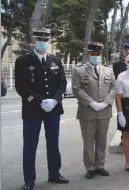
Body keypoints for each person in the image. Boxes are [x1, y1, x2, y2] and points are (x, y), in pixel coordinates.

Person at [15, 28, 69, 190]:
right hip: (32, 110)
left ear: (49, 41)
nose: (43, 43)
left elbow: (62, 84)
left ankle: (54, 174)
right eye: (40, 39)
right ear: (34, 41)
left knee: (53, 144)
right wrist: (39, 101)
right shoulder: (23, 61)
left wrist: (55, 100)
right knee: (30, 146)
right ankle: (29, 180)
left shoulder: (55, 60)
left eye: (46, 40)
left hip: (53, 109)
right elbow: (21, 87)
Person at [72, 42, 117, 179]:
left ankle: (100, 166)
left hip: (104, 111)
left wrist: (105, 103)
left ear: (101, 55)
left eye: (98, 54)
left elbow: (114, 88)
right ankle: (90, 167)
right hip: (87, 112)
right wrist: (91, 103)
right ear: (89, 55)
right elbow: (76, 89)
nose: (96, 56)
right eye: (93, 54)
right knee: (89, 141)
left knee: (102, 140)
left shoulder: (108, 70)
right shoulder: (79, 70)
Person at [113, 42, 129, 146]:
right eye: (125, 49)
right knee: (123, 117)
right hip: (123, 96)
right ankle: (123, 137)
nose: (128, 51)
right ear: (123, 51)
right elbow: (115, 80)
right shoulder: (117, 65)